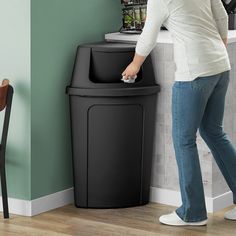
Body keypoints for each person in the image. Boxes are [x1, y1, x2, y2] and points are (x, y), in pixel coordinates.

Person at [122, 0, 236, 226]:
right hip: (219, 66)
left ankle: (192, 212)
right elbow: (221, 15)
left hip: (194, 71)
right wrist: (217, 46)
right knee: (214, 132)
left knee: (184, 140)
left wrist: (135, 64)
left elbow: (148, 35)